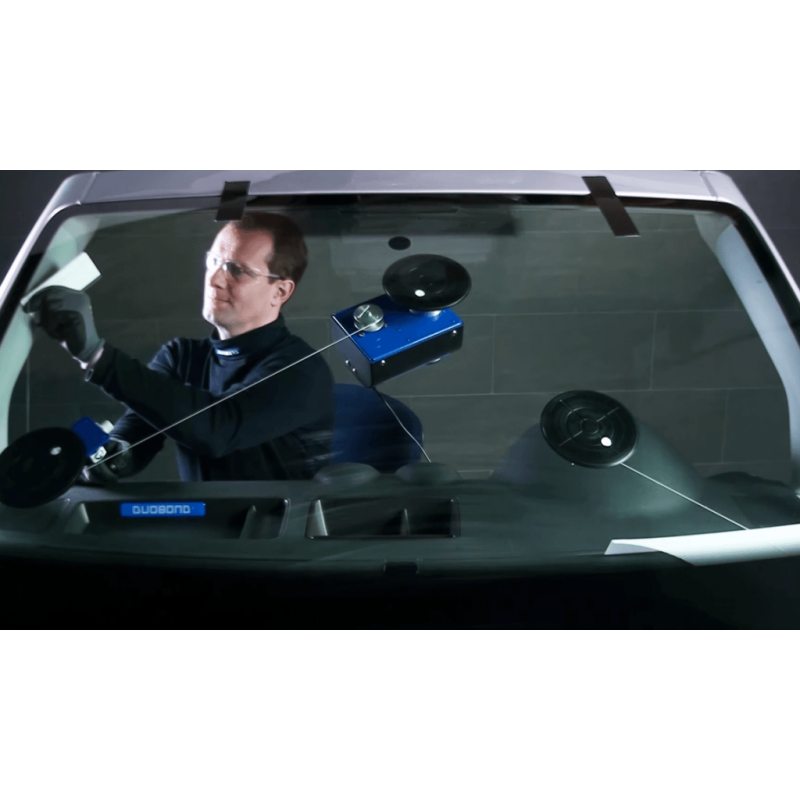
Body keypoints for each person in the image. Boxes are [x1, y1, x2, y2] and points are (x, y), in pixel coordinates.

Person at [26, 212, 335, 483]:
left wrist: (97, 356)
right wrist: (117, 454)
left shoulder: (302, 371)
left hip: (279, 531)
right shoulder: (181, 356)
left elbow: (218, 429)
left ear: (280, 291)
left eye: (237, 270)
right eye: (213, 262)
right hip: (200, 526)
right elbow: (138, 428)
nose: (214, 279)